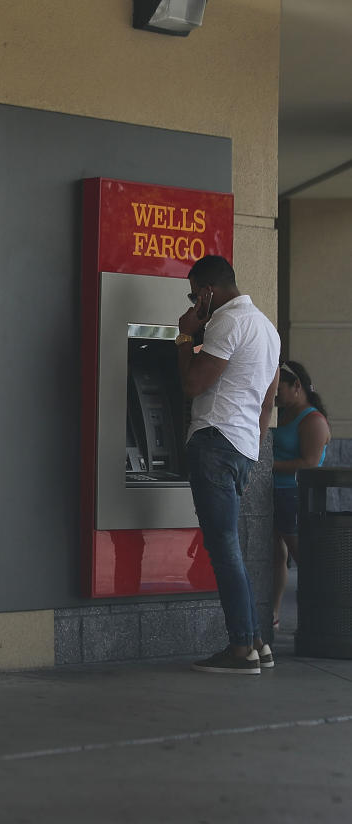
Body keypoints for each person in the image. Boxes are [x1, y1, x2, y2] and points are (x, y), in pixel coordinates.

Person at [176, 254, 279, 675]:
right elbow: (267, 404)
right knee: (232, 548)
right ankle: (257, 642)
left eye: (193, 293)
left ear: (206, 292)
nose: (194, 300)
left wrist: (185, 336)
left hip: (215, 443)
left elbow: (192, 383)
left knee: (225, 551)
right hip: (240, 447)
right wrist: (250, 452)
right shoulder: (268, 329)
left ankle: (240, 650)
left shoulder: (227, 322)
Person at [270, 360, 331, 628]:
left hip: (293, 494)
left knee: (303, 555)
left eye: (278, 389)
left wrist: (265, 467)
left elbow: (309, 463)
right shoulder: (283, 415)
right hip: (274, 492)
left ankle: (325, 612)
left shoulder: (312, 420)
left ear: (297, 386)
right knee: (275, 555)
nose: (274, 395)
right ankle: (272, 613)